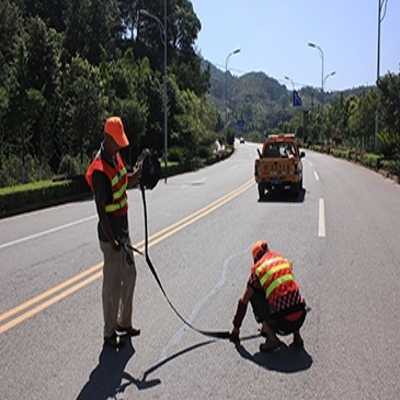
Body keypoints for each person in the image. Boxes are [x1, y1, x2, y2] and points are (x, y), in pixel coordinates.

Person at [86, 116, 142, 348]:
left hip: (123, 230)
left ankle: (123, 322)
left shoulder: (115, 156)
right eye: (116, 141)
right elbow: (101, 209)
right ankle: (109, 334)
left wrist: (135, 177)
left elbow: (122, 181)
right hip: (111, 236)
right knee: (111, 285)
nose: (120, 145)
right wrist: (113, 239)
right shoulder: (99, 169)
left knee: (130, 275)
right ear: (108, 138)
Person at [230, 240, 307, 352]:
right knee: (287, 290)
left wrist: (236, 329)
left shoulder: (259, 269)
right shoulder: (281, 260)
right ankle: (297, 337)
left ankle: (272, 339)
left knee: (254, 295)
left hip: (283, 324)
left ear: (256, 257)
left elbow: (244, 301)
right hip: (300, 319)